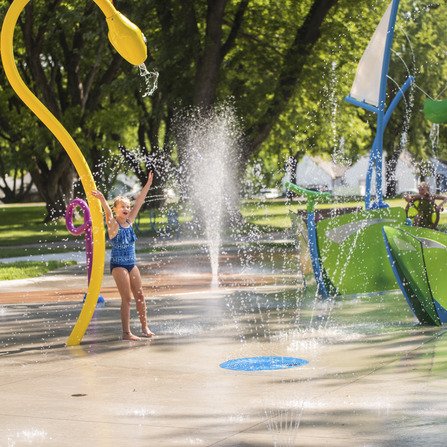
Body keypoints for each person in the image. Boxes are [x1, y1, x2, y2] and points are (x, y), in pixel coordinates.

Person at [91, 171, 154, 341]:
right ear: (116, 209)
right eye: (123, 207)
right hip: (118, 265)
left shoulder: (129, 221)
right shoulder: (113, 226)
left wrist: (148, 183)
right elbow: (107, 214)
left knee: (140, 295)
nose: (127, 209)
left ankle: (144, 326)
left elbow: (140, 201)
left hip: (131, 263)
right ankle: (126, 333)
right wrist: (103, 200)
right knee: (127, 298)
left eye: (127, 206)